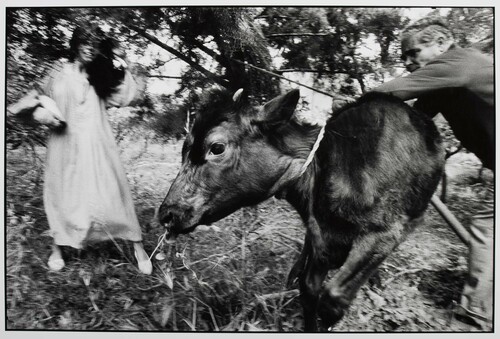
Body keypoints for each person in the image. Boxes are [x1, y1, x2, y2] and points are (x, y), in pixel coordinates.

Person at [371, 16, 494, 329]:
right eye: (406, 57)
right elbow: (411, 120)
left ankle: (476, 319)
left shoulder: (459, 62)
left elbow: (392, 92)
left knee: (487, 231)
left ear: (441, 43)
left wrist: (360, 101)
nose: (410, 62)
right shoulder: (445, 83)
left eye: (415, 53)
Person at [8, 24, 153, 275]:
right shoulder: (57, 72)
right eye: (85, 41)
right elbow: (36, 98)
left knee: (113, 191)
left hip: (97, 143)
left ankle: (138, 246)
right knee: (62, 194)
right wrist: (42, 114)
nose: (90, 47)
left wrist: (125, 59)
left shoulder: (101, 77)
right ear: (75, 44)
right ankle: (58, 247)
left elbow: (130, 95)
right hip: (63, 144)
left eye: (96, 44)